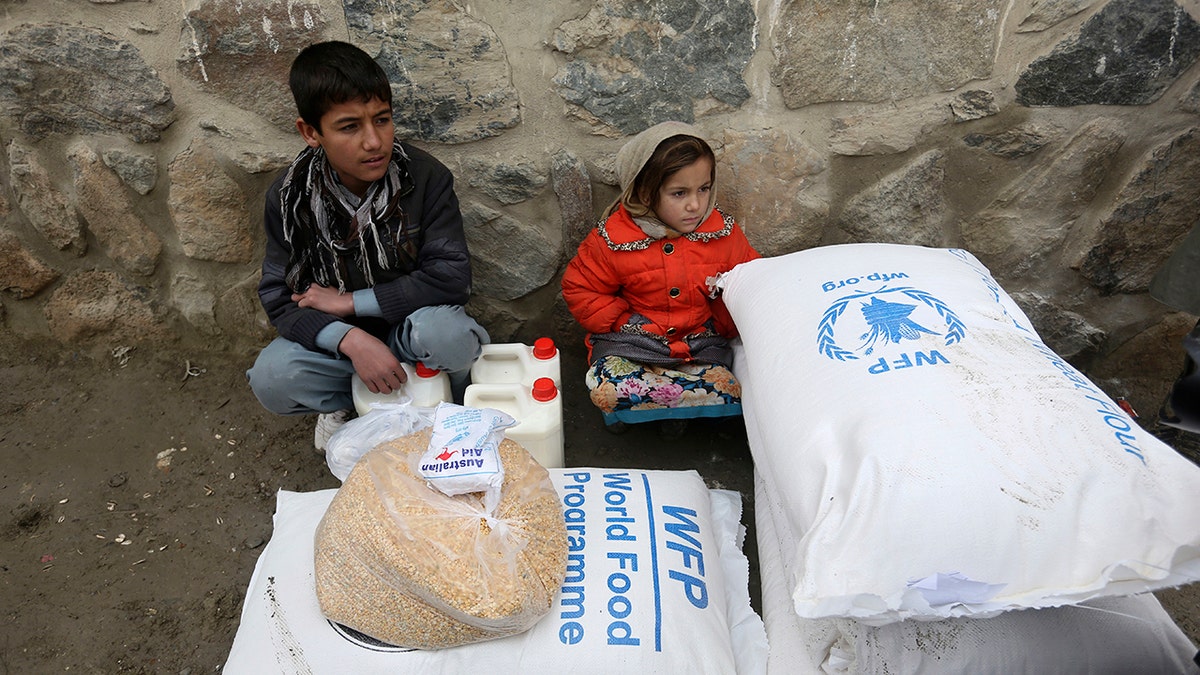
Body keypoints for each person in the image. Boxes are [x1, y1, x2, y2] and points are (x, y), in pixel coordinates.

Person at [247, 41, 488, 450]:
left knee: (449, 334)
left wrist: (351, 302)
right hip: (341, 349)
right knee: (273, 377)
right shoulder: (289, 200)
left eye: (382, 119)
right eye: (349, 127)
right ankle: (353, 402)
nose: (374, 141)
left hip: (412, 335)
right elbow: (281, 297)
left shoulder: (425, 178)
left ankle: (455, 403)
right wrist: (351, 339)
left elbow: (451, 278)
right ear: (310, 132)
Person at [561, 121, 760, 433]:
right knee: (610, 387)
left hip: (699, 343)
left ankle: (667, 413)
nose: (695, 204)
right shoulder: (613, 238)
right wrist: (619, 321)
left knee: (733, 390)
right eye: (679, 193)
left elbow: (750, 283)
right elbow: (580, 287)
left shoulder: (722, 234)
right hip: (633, 343)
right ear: (645, 192)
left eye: (703, 189)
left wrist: (721, 319)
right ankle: (647, 414)